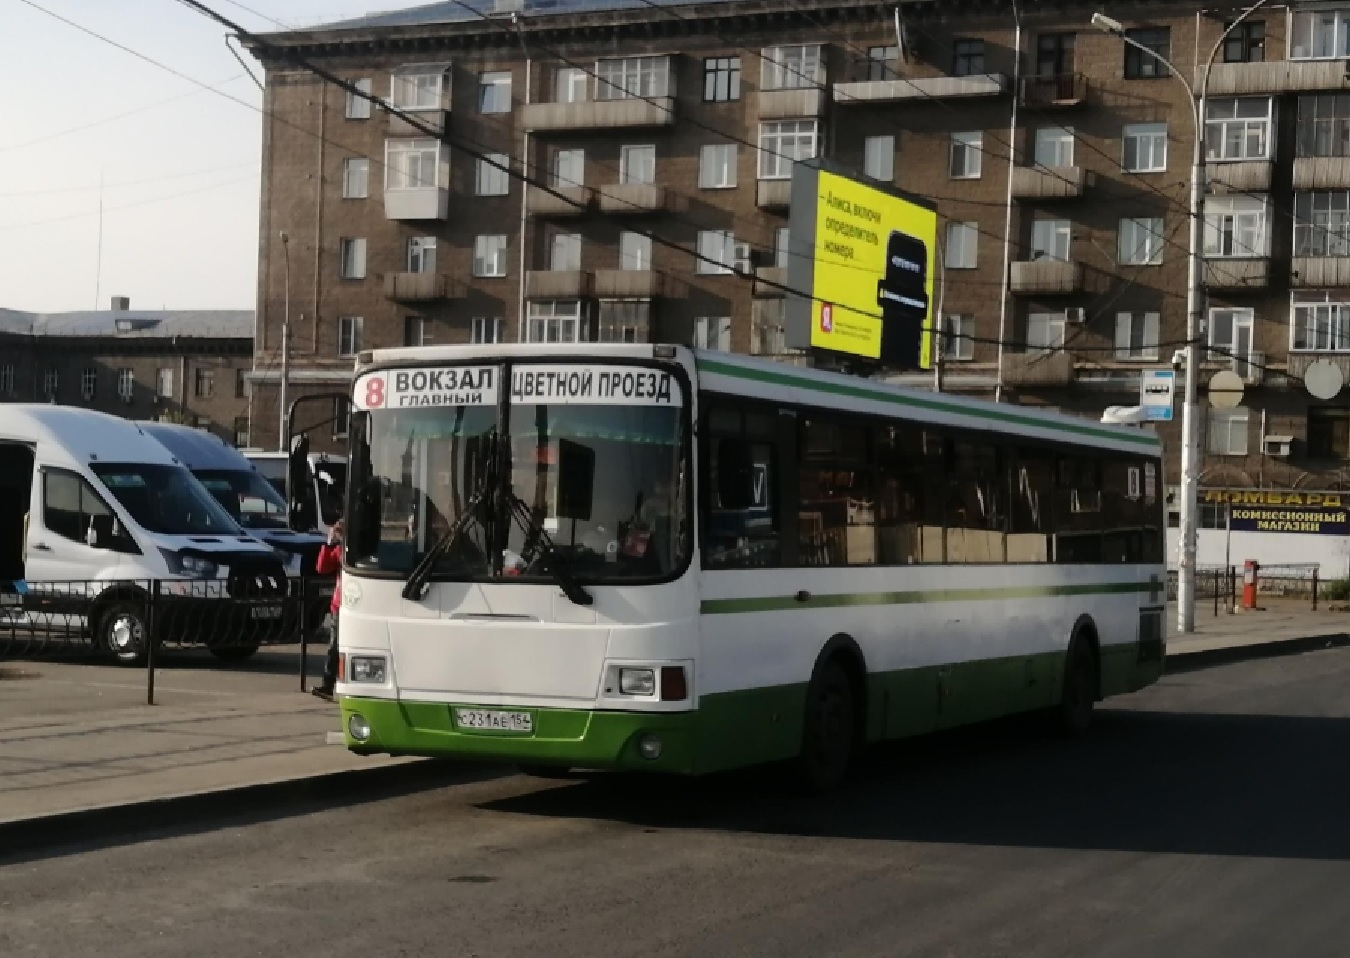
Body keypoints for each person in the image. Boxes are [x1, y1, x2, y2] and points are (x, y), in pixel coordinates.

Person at [311, 519, 343, 701]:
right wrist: (329, 544)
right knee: (334, 646)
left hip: (350, 600)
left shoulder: (353, 550)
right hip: (339, 603)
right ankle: (327, 685)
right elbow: (322, 568)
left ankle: (333, 683)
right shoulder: (338, 549)